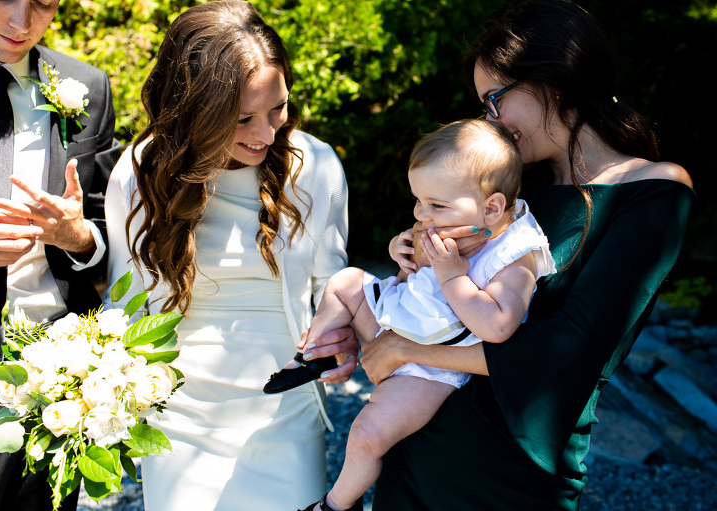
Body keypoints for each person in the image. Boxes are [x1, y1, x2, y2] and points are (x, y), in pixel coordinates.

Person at [355, 1, 694, 509]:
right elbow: (440, 284)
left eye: (495, 99)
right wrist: (410, 252)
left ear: (553, 82)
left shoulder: (653, 192)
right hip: (414, 448)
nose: (489, 119)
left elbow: (571, 348)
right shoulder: (507, 194)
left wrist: (408, 350)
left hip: (508, 476)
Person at [103, 2, 358, 510]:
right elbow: (124, 303)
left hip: (283, 410)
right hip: (176, 412)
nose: (266, 133)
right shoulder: (140, 172)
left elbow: (333, 285)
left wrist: (343, 334)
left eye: (278, 108)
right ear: (195, 108)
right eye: (242, 118)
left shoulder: (314, 165)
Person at [265, 119, 556, 511]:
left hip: (431, 365)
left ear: (492, 207)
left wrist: (453, 275)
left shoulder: (515, 254)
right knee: (345, 281)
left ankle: (335, 505)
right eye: (418, 200)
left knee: (367, 433)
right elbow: (411, 277)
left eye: (436, 205)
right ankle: (313, 354)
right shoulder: (450, 221)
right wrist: (402, 255)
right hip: (400, 318)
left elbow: (499, 327)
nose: (422, 214)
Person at [0, 1, 121, 510]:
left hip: (42, 382)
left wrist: (77, 238)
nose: (23, 23)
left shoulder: (85, 86)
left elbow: (111, 233)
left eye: (44, 3)